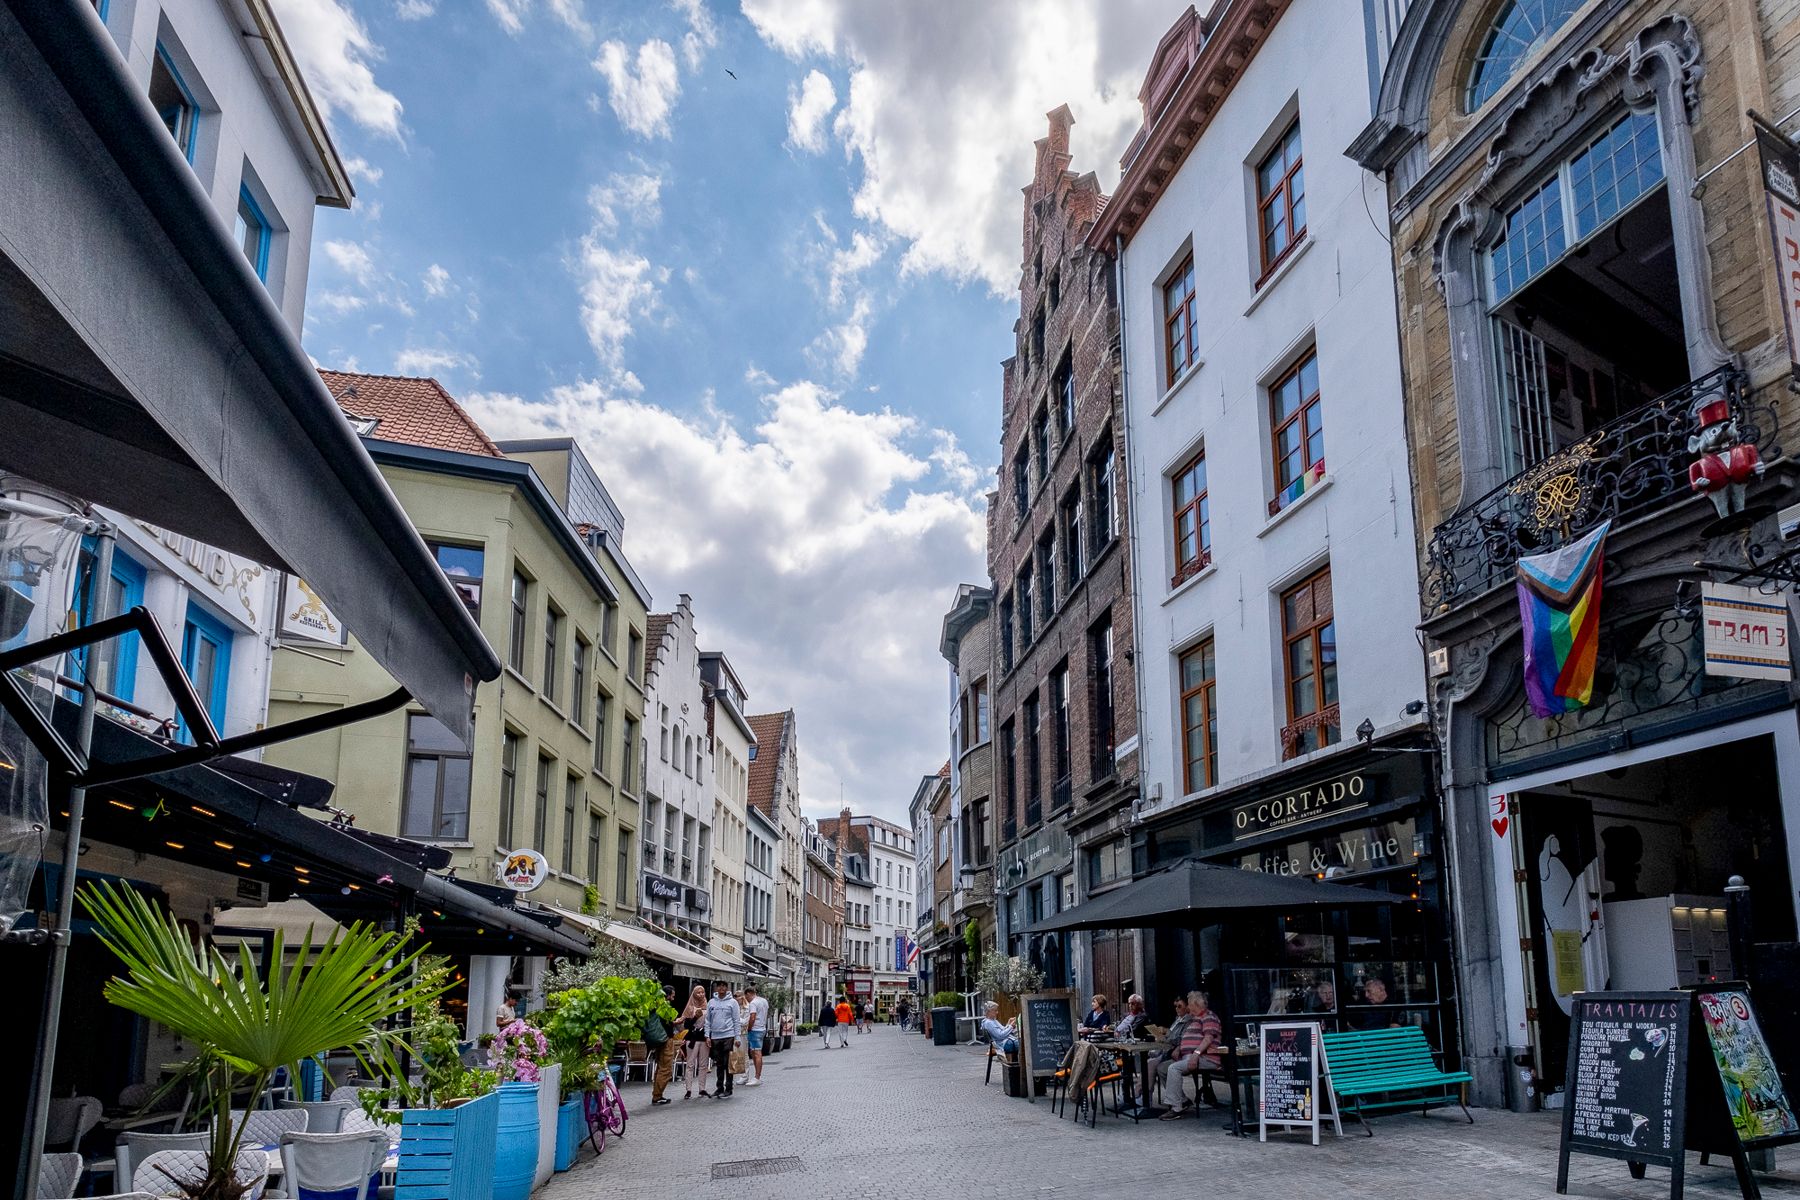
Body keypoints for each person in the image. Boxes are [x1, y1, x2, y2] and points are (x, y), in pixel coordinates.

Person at [1159, 991, 1222, 1119]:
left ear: (1196, 1004)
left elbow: (1208, 1038)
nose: (1188, 1007)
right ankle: (1182, 1100)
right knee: (1162, 1068)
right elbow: (1187, 1038)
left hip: (1205, 1058)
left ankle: (1176, 1109)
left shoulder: (1209, 1017)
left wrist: (1196, 1054)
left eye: (1189, 1004)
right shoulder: (1195, 1019)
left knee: (1173, 1068)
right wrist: (1179, 1048)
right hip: (1188, 1056)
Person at [704, 980, 741, 1098]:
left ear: (727, 988)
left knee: (727, 1063)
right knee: (719, 1063)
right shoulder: (711, 1002)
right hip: (715, 1036)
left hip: (728, 1036)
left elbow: (736, 1020)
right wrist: (707, 1035)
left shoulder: (733, 1002)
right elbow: (707, 1020)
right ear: (716, 988)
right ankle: (719, 1088)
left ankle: (728, 1088)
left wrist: (737, 1037)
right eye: (719, 986)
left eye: (724, 986)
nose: (721, 988)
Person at [644, 985, 678, 1106]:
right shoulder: (663, 1006)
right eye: (672, 996)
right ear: (667, 995)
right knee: (665, 1069)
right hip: (665, 1040)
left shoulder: (654, 1005)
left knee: (660, 1068)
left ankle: (657, 1094)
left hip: (659, 1040)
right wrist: (677, 1022)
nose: (673, 999)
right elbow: (668, 1023)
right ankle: (657, 1096)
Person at [679, 985, 710, 1099]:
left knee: (703, 1065)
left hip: (704, 1038)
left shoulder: (708, 1006)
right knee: (690, 1064)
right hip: (692, 1038)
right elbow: (686, 1025)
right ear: (694, 994)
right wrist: (695, 1018)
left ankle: (702, 1088)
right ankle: (688, 1089)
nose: (701, 995)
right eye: (698, 993)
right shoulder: (690, 1007)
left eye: (703, 992)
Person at [743, 984, 769, 1087]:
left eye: (746, 997)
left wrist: (749, 1028)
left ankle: (757, 1077)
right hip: (762, 1028)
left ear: (749, 994)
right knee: (755, 1052)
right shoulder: (764, 1001)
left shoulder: (753, 1003)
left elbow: (752, 1017)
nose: (747, 1000)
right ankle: (757, 1076)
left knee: (756, 1052)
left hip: (755, 1029)